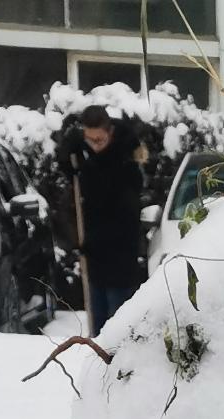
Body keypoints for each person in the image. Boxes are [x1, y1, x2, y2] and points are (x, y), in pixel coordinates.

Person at [67, 104, 145, 333]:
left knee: (116, 330)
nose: (94, 146)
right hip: (96, 262)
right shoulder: (88, 159)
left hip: (120, 263)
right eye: (89, 140)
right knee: (97, 327)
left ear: (110, 133)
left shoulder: (126, 165)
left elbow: (126, 219)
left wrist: (93, 241)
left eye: (99, 140)